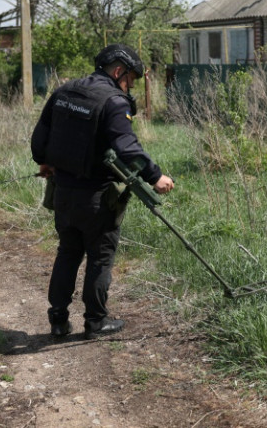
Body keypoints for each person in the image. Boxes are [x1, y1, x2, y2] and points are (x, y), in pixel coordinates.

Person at [31, 43, 174, 340]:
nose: (130, 87)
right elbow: (126, 146)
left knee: (68, 252)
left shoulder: (64, 91)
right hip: (95, 197)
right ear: (119, 71)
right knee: (100, 257)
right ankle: (96, 322)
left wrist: (44, 162)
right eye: (130, 80)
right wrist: (155, 176)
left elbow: (40, 137)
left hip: (62, 193)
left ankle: (58, 320)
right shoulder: (113, 102)